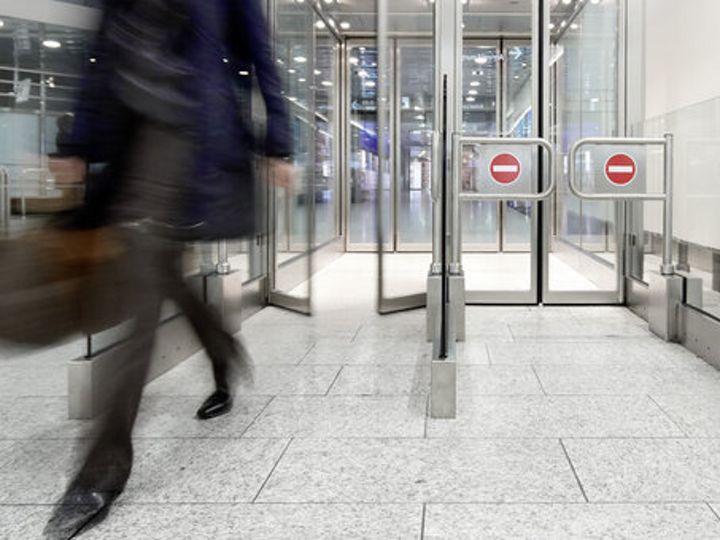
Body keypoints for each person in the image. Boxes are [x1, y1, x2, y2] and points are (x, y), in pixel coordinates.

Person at [43, 0, 293, 537]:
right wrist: (77, 143)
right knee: (158, 276)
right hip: (129, 141)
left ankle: (99, 474)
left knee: (143, 290)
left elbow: (259, 55)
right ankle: (224, 353)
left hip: (188, 137)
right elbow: (101, 47)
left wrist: (278, 141)